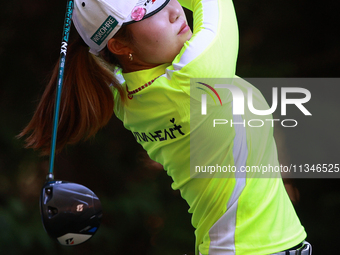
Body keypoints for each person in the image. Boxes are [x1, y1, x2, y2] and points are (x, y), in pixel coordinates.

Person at [19, 0, 311, 254]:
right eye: (148, 11)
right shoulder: (194, 77)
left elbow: (97, 52)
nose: (173, 11)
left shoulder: (125, 92)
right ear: (119, 46)